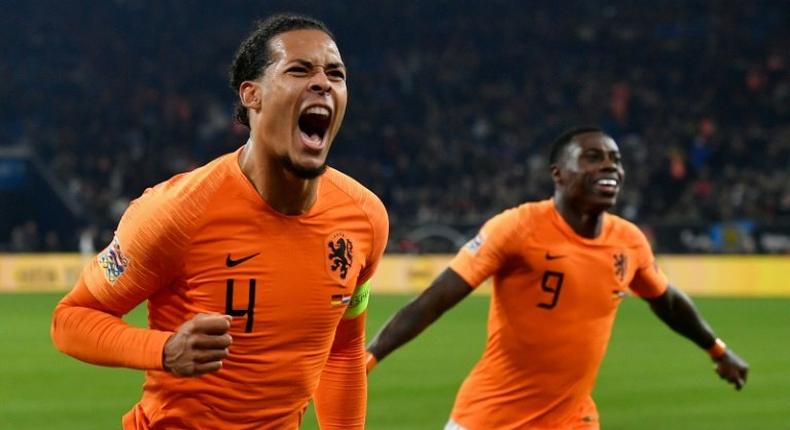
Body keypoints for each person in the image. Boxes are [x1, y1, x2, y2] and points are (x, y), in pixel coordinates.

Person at [51, 14, 388, 430]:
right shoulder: (178, 211)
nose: (322, 82)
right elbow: (70, 320)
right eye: (299, 69)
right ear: (252, 95)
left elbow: (343, 350)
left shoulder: (364, 219)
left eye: (335, 74)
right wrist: (164, 349)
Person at [366, 126, 748, 430]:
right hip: (491, 417)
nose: (609, 167)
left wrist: (717, 349)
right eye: (593, 157)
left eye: (615, 160)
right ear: (559, 174)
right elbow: (434, 300)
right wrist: (367, 358)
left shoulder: (628, 242)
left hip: (572, 420)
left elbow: (668, 302)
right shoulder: (517, 227)